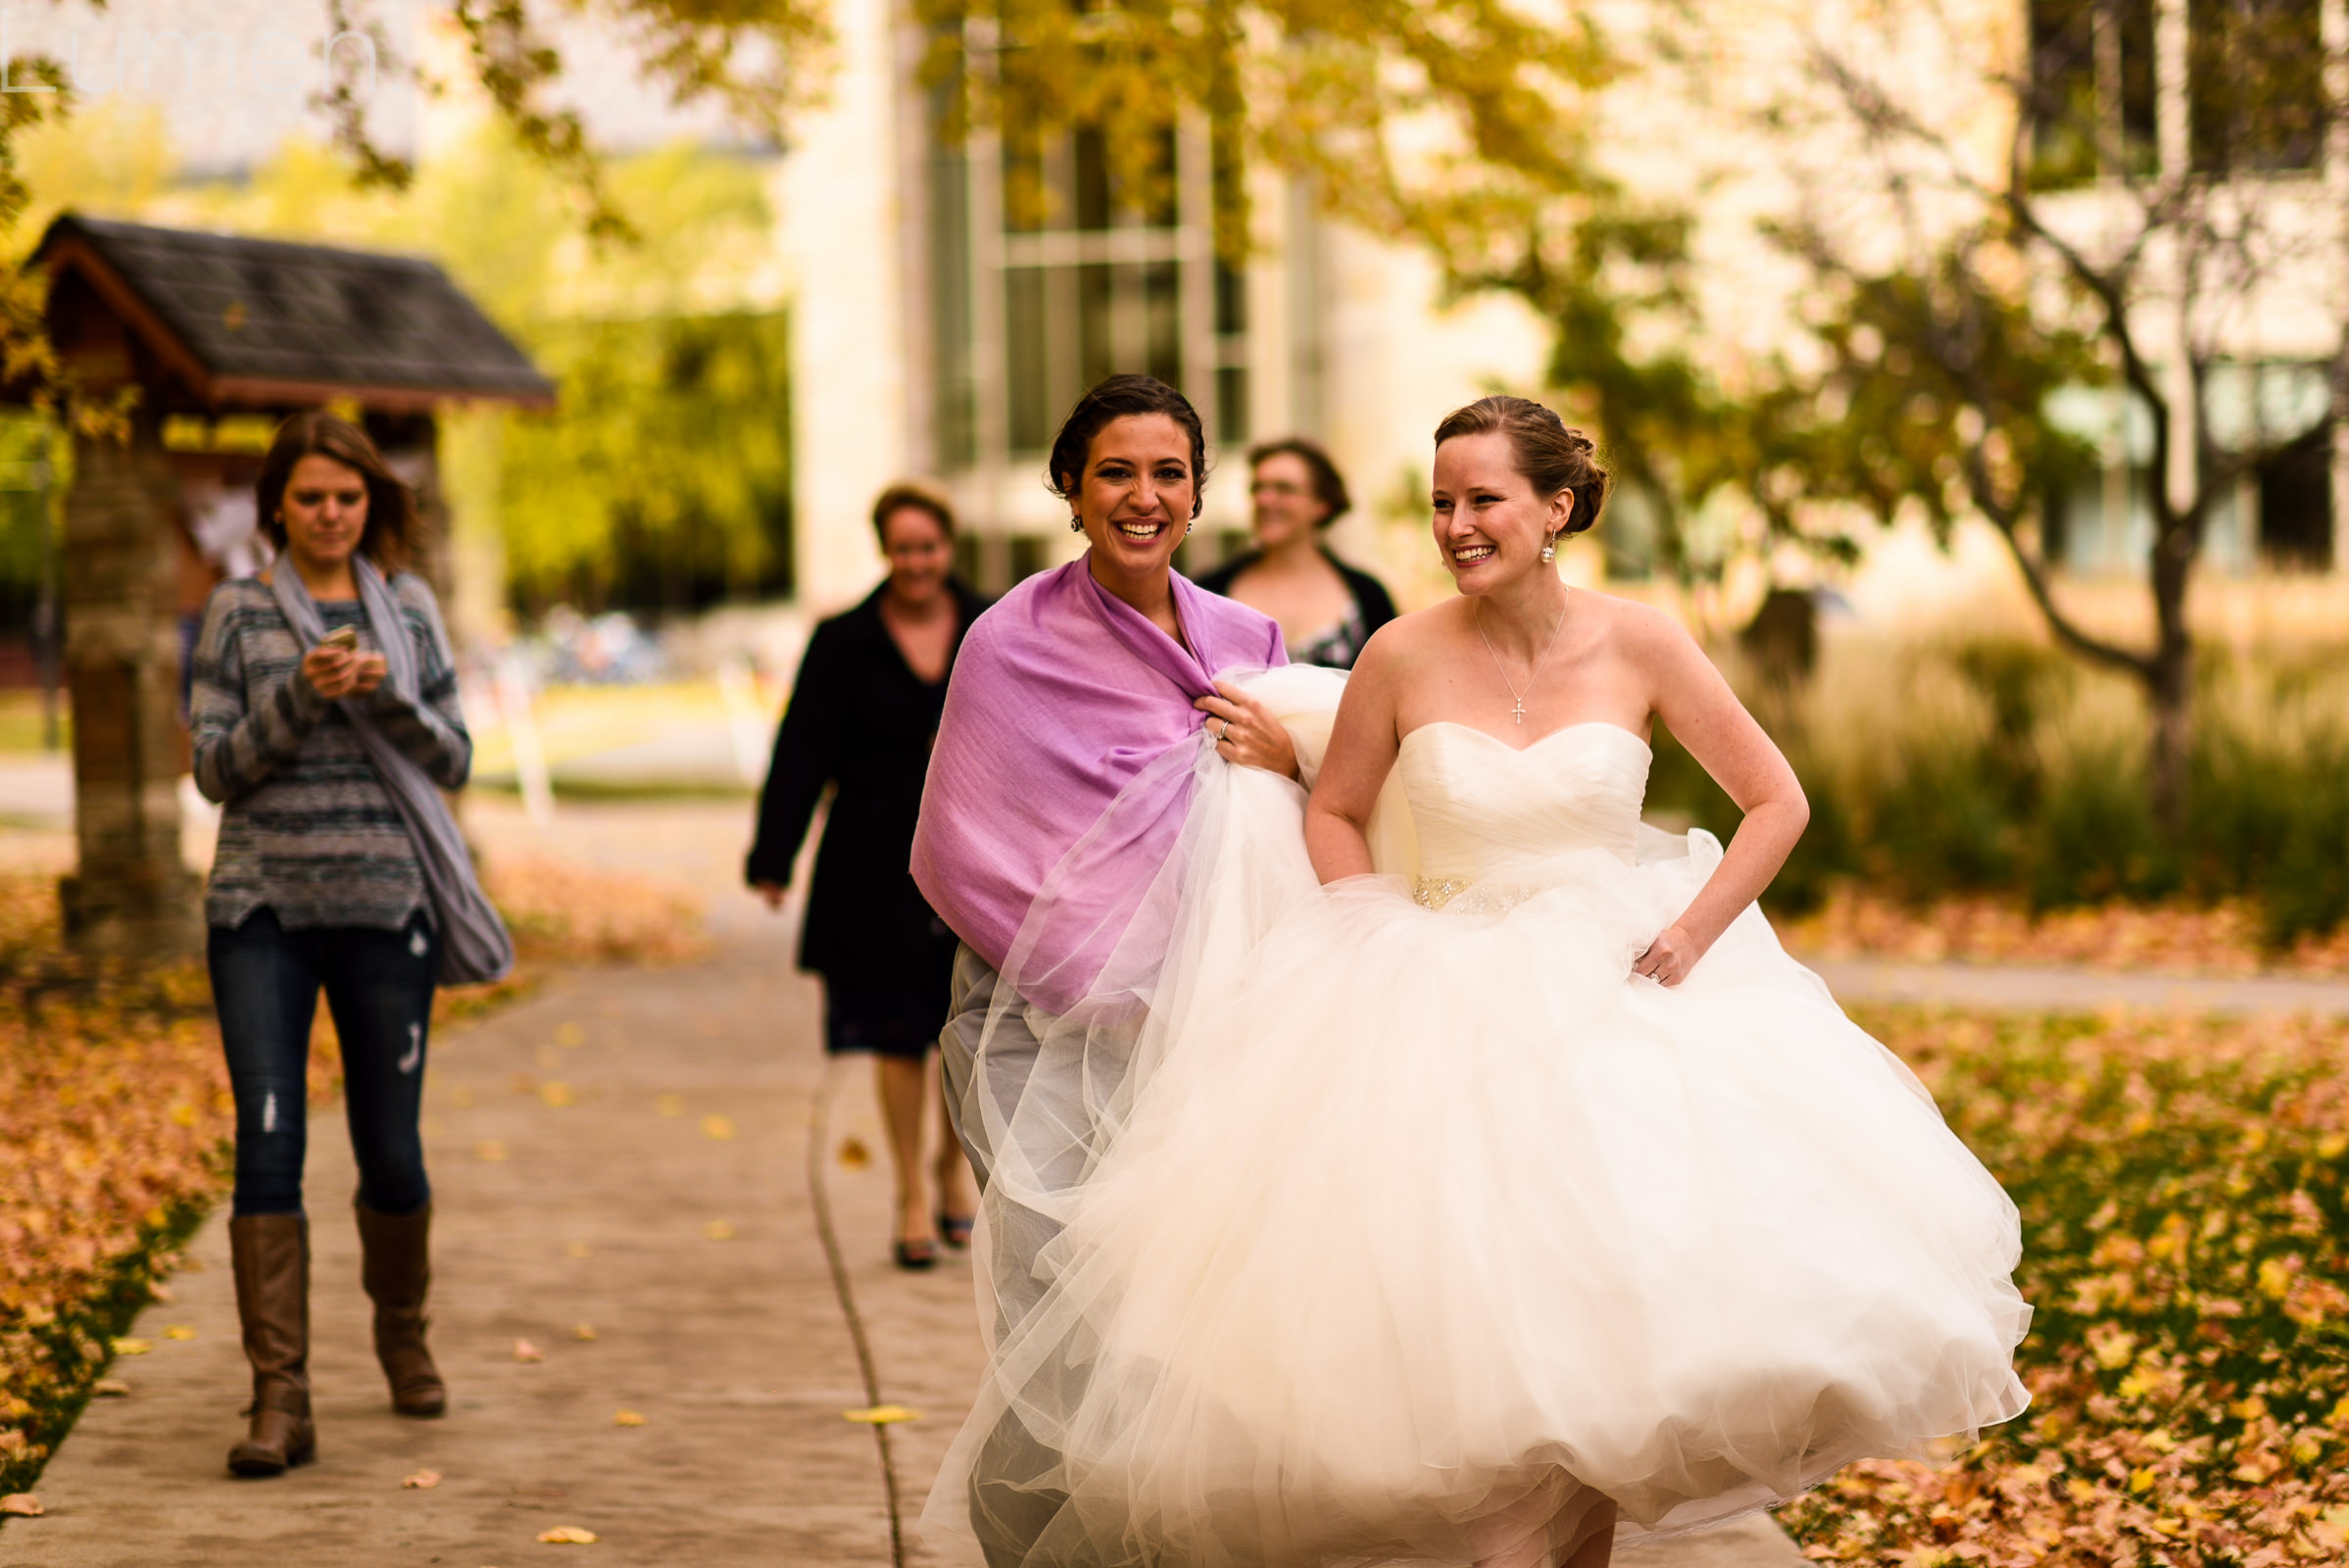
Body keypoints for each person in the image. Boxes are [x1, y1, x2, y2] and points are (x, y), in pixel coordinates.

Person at [921, 396, 2029, 1567]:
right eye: (1441, 502)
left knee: (1609, 1329)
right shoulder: (1401, 651)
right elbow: (1338, 806)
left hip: (1620, 1002)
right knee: (1480, 1342)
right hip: (1444, 1008)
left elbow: (1777, 801)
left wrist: (1693, 933)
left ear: (1555, 508)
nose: (1456, 523)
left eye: (1482, 499)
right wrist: (1367, 934)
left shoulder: (1642, 641)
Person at [910, 373, 1304, 1565]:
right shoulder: (1008, 641)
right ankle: (1043, 1544)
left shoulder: (1249, 642)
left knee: (1173, 1322)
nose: (1144, 497)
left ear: (1198, 488)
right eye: (1116, 473)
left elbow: (1306, 819)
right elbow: (960, 843)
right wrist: (1094, 957)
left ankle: (1156, 1540)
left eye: (1169, 472)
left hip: (1204, 1038)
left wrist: (1285, 751)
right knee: (1059, 1306)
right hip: (1037, 1034)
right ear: (1070, 488)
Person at [192, 412, 504, 1478]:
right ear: (276, 502)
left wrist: (390, 697)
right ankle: (279, 1396)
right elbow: (213, 768)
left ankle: (402, 1335)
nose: (331, 513)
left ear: (371, 504)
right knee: (268, 1143)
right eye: (312, 495)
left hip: (387, 908)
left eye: (350, 496)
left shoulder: (408, 606)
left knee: (392, 1151)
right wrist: (296, 696)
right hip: (260, 910)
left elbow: (456, 756)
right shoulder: (233, 611)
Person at [748, 483, 989, 1269]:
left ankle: (953, 1171)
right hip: (874, 858)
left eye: (929, 547)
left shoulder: (993, 627)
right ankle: (910, 1197)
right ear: (885, 551)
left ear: (947, 549)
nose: (916, 563)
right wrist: (773, 856)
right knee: (897, 1032)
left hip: (976, 855)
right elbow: (802, 748)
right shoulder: (843, 639)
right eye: (903, 548)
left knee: (969, 1031)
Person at [1195, 437, 1396, 667]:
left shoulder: (1367, 597)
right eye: (1257, 488)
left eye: (1284, 489)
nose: (1264, 499)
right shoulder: (1210, 590)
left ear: (1322, 504)